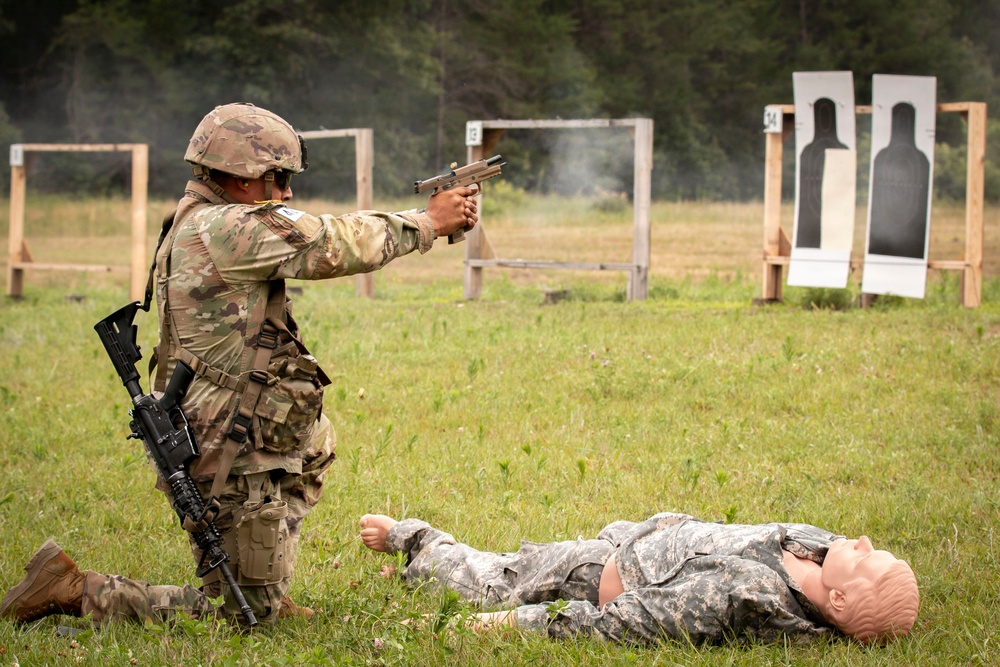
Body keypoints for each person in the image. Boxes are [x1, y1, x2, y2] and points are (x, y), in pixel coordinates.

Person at [0, 102, 478, 627]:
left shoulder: (194, 218)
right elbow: (331, 243)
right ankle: (73, 589)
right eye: (279, 178)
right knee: (243, 616)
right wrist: (427, 222)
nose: (287, 193)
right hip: (229, 441)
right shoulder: (225, 227)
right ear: (242, 176)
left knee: (313, 444)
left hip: (238, 421)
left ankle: (263, 569)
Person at [359, 511, 919, 645]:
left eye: (865, 559)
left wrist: (489, 626)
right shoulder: (822, 550)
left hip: (591, 575)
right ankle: (413, 566)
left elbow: (614, 623)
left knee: (485, 580)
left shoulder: (745, 594)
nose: (863, 542)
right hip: (635, 541)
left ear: (838, 600)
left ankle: (415, 540)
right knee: (498, 568)